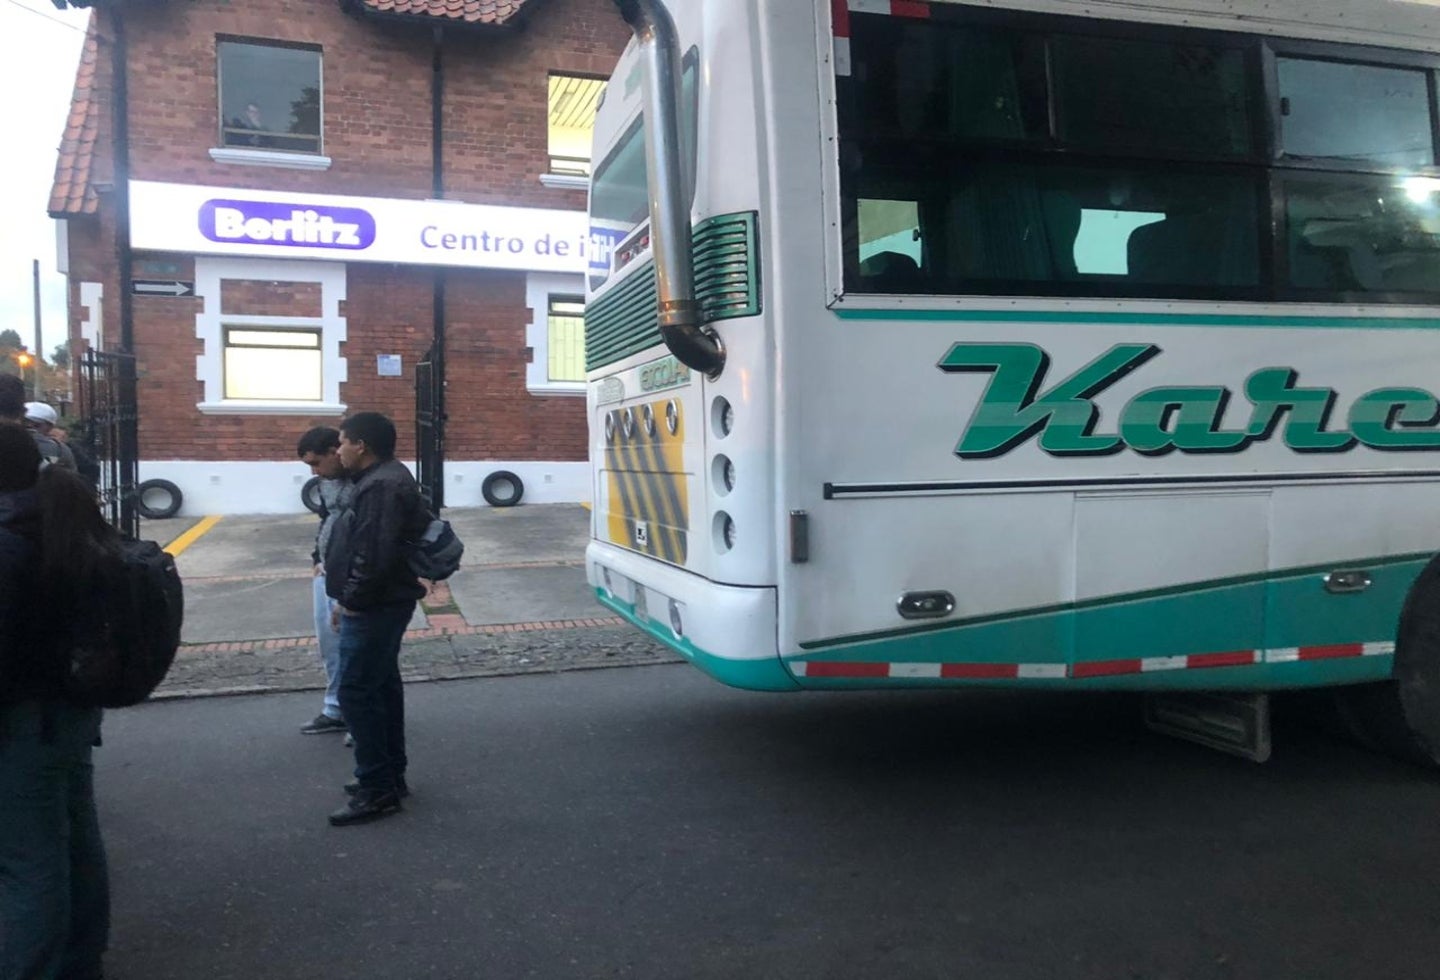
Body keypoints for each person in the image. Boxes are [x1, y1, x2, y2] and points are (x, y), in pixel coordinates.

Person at [0, 424, 118, 979]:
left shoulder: (10, 537)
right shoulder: (59, 521)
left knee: (29, 860)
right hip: (66, 709)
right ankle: (80, 957)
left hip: (24, 719)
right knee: (73, 839)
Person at [323, 412, 428, 826]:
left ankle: (377, 789)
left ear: (361, 445)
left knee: (357, 692)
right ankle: (388, 776)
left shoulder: (382, 485)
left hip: (376, 605)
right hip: (381, 601)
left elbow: (373, 554)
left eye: (343, 442)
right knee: (380, 687)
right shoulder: (381, 478)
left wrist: (349, 601)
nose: (339, 450)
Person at [295, 426, 352, 737]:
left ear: (336, 451)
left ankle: (360, 718)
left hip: (353, 577)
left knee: (357, 649)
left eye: (317, 463)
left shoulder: (366, 481)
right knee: (329, 646)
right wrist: (318, 557)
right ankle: (335, 708)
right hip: (328, 571)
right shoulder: (326, 482)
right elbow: (326, 518)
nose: (315, 472)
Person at [24, 402, 78, 472]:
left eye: (36, 426)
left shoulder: (57, 449)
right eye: (25, 425)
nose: (32, 431)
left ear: (50, 427)